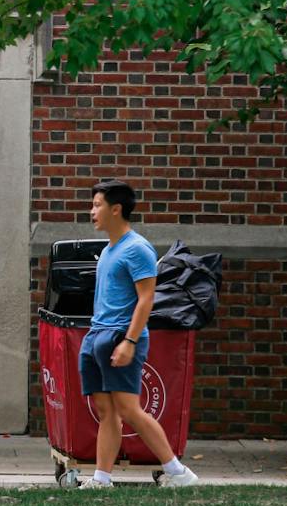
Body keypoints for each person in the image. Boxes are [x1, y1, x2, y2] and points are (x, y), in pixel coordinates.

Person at [79, 179, 199, 489]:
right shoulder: (108, 250)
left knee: (129, 409)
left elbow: (147, 298)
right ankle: (102, 479)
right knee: (107, 412)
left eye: (97, 205)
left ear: (115, 209)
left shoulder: (137, 249)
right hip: (98, 335)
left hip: (121, 335)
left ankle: (178, 473)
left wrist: (129, 341)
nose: (91, 211)